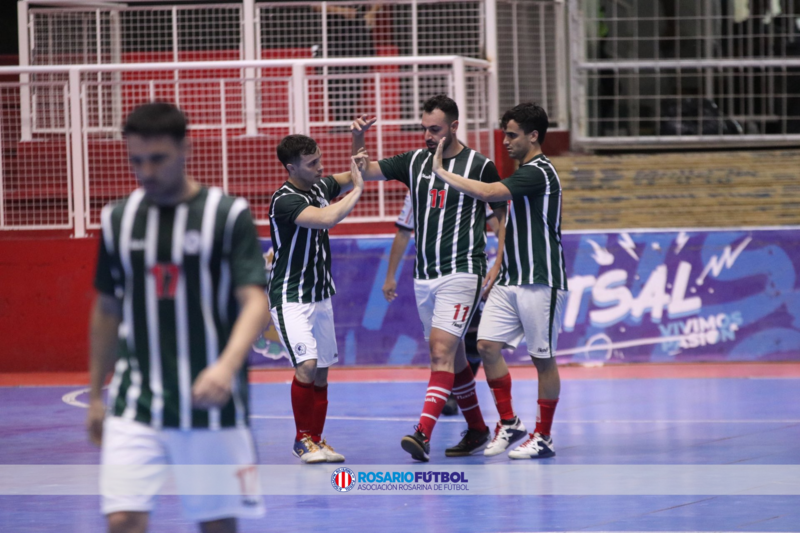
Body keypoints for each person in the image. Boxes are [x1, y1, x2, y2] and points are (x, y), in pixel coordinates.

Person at [87, 102, 269, 533]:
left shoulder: (227, 215)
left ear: (185, 148)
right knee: (123, 520)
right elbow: (107, 308)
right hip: (136, 400)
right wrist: (96, 394)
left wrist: (226, 367)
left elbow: (255, 301)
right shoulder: (117, 219)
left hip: (212, 404)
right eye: (136, 160)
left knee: (217, 524)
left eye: (157, 159)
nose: (146, 172)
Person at [352, 94, 508, 462]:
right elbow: (366, 170)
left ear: (454, 127)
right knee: (453, 360)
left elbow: (501, 218)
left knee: (440, 351)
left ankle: (422, 432)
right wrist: (358, 140)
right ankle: (478, 429)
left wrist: (498, 261)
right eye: (423, 128)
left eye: (434, 129)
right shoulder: (414, 161)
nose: (427, 135)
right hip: (425, 276)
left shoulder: (479, 165)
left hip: (462, 271)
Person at [429, 102, 569, 459]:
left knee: (543, 359)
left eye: (512, 134)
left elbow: (489, 194)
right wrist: (499, 262)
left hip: (541, 279)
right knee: (487, 346)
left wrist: (442, 171)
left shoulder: (539, 172)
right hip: (510, 279)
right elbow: (506, 223)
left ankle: (544, 436)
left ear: (533, 136)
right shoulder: (521, 171)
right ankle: (509, 422)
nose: (504, 141)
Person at [270, 134, 367, 464]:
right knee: (307, 366)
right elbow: (327, 218)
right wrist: (357, 192)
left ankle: (316, 439)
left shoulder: (318, 187)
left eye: (320, 160)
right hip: (291, 297)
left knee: (322, 372)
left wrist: (358, 140)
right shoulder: (285, 200)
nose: (321, 167)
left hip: (320, 294)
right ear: (291, 167)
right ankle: (301, 440)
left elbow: (356, 170)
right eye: (312, 164)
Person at [382, 192, 502, 416]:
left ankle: (456, 400)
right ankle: (456, 399)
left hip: (466, 273)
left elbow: (497, 225)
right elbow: (403, 231)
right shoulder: (416, 185)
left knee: (472, 338)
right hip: (432, 276)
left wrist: (501, 268)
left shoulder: (469, 181)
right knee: (444, 345)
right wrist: (390, 275)